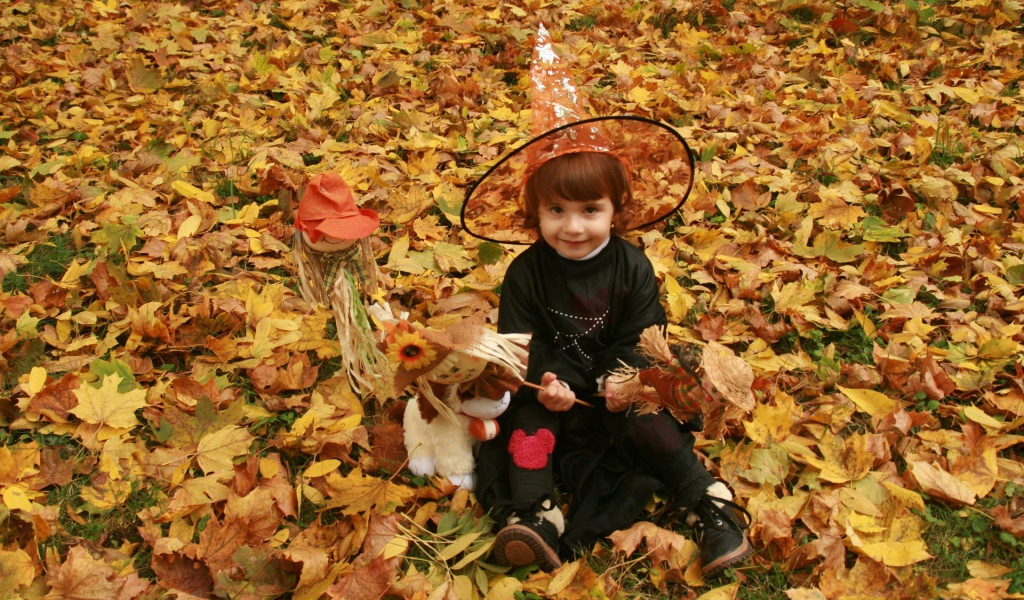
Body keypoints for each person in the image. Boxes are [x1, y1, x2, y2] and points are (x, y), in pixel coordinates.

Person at [460, 25, 752, 576]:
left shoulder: (630, 266)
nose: (573, 228)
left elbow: (641, 333)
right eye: (556, 212)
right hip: (552, 391)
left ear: (616, 209)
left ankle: (708, 502)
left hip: (615, 389)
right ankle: (535, 512)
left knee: (647, 420)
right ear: (535, 211)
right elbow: (522, 341)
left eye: (589, 210)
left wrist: (620, 381)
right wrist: (549, 383)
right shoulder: (525, 272)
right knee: (525, 424)